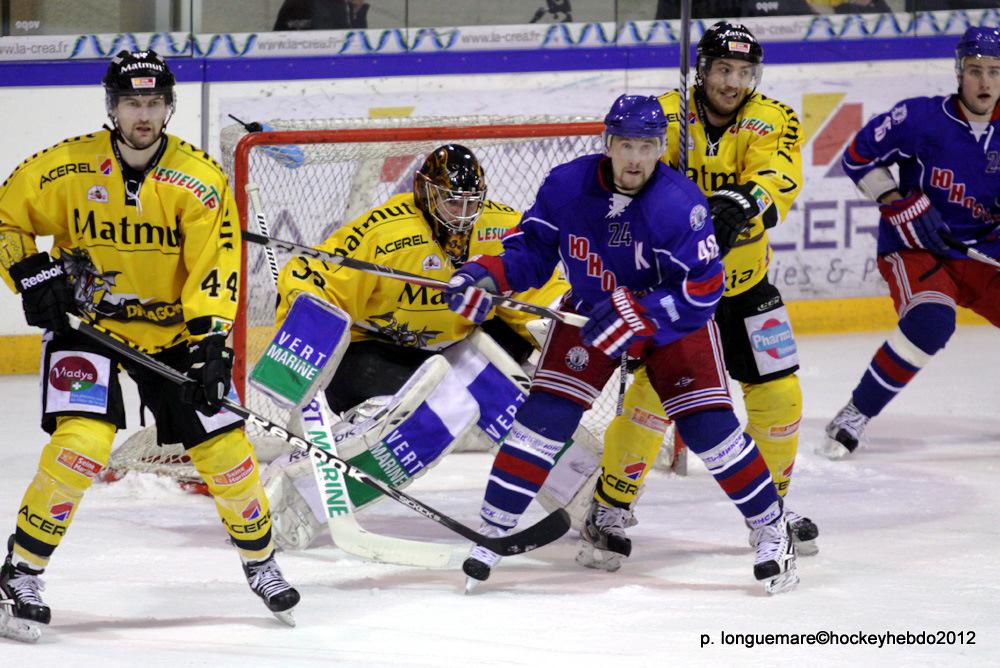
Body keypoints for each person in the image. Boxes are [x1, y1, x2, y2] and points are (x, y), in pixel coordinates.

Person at [445, 94, 800, 595]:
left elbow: (704, 289)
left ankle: (771, 529)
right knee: (542, 421)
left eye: (647, 147)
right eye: (626, 145)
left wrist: (642, 315)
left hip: (670, 323)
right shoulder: (566, 185)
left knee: (709, 430)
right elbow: (533, 252)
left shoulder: (681, 204)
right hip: (592, 312)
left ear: (660, 148)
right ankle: (492, 531)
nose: (635, 159)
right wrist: (488, 275)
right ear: (608, 143)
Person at [0, 50, 299, 640]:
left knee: (225, 449)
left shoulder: (198, 179)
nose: (144, 114)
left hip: (172, 335)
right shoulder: (64, 168)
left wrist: (212, 344)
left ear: (168, 106)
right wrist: (31, 273)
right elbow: (5, 221)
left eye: (155, 102)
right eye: (133, 102)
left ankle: (262, 561)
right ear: (112, 107)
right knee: (79, 446)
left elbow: (215, 265)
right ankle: (20, 572)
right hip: (88, 328)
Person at [579, 21, 815, 574]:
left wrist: (742, 202)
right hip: (677, 292)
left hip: (747, 287)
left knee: (781, 398)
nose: (732, 82)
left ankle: (770, 509)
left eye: (744, 72)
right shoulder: (663, 116)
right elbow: (626, 178)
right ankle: (609, 506)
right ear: (703, 70)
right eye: (723, 69)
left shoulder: (774, 117)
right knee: (651, 400)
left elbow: (778, 176)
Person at [275, 143, 566, 416]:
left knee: (513, 347)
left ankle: (491, 400)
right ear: (427, 193)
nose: (463, 216)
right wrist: (298, 348)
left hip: (458, 349)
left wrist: (562, 332)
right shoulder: (386, 233)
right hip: (380, 351)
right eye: (453, 203)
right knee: (402, 400)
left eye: (472, 203)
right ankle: (382, 414)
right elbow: (314, 275)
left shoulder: (500, 226)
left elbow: (536, 290)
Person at [820, 26, 1000, 458]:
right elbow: (857, 158)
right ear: (958, 72)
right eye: (975, 71)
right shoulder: (919, 118)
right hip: (919, 248)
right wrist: (894, 199)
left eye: (995, 71)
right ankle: (855, 413)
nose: (985, 82)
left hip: (985, 252)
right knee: (931, 321)